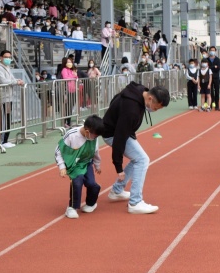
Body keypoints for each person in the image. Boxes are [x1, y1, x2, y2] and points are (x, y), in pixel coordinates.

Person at [102, 82, 170, 214]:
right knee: (142, 160)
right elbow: (119, 138)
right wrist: (118, 167)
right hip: (113, 134)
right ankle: (135, 202)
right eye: (156, 108)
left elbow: (115, 100)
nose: (155, 110)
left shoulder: (139, 90)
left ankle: (117, 191)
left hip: (119, 130)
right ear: (150, 98)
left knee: (139, 158)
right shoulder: (131, 110)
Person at [54, 115, 104, 219]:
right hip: (74, 165)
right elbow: (58, 151)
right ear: (87, 131)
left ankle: (91, 203)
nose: (95, 138)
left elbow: (95, 152)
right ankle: (72, 208)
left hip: (87, 163)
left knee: (92, 184)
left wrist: (97, 165)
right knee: (77, 182)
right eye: (95, 136)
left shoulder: (93, 137)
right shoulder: (72, 135)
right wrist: (62, 167)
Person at [0, 50, 24, 148]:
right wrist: (16, 82)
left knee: (8, 118)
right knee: (4, 119)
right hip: (2, 97)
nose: (8, 59)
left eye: (9, 57)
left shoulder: (7, 67)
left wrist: (17, 80)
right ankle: (3, 140)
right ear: (1, 57)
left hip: (8, 97)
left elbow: (11, 79)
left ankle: (5, 139)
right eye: (6, 57)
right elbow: (3, 81)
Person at [207, 46, 220, 110]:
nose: (212, 51)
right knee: (210, 92)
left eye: (213, 50)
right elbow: (207, 68)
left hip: (216, 77)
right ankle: (210, 104)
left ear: (215, 51)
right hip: (209, 78)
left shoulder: (217, 59)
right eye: (211, 50)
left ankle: (217, 105)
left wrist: (212, 67)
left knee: (217, 91)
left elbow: (218, 68)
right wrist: (214, 67)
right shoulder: (207, 60)